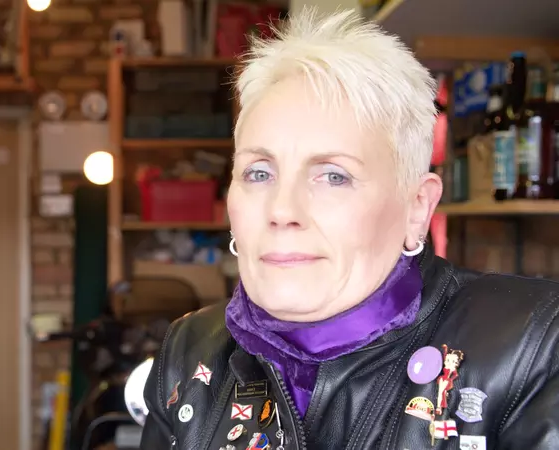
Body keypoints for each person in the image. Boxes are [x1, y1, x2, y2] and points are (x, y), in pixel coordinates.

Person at [139, 7, 559, 450]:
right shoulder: (190, 351)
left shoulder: (533, 348)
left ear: (417, 208)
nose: (282, 210)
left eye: (333, 176)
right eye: (259, 173)